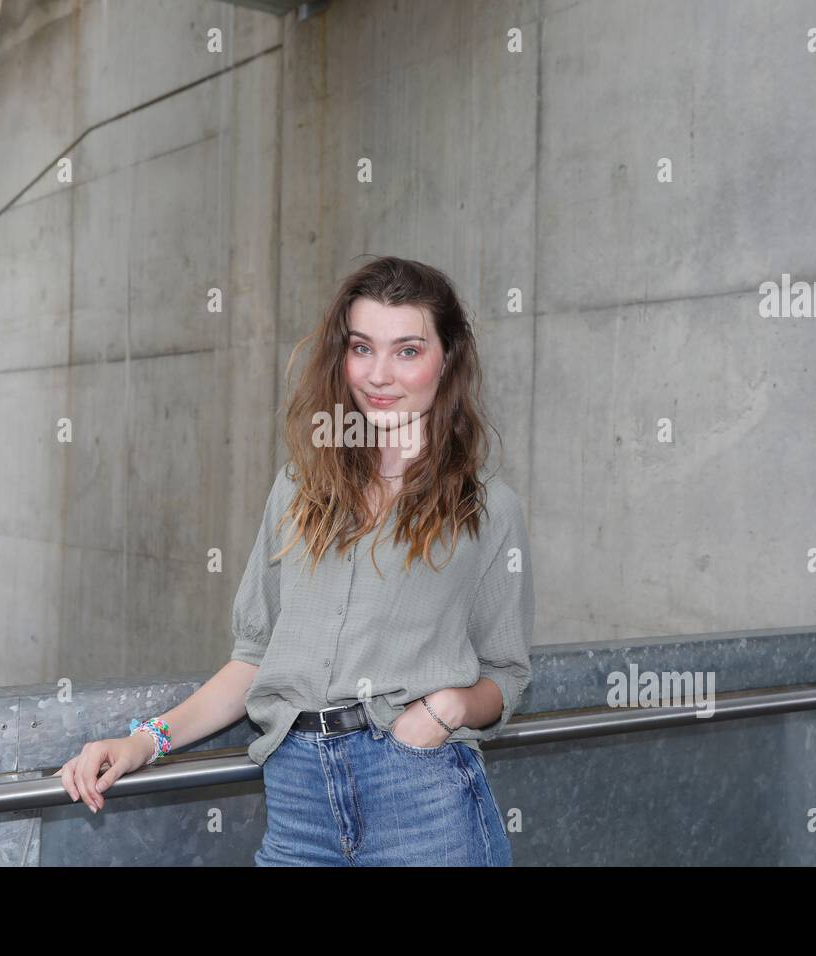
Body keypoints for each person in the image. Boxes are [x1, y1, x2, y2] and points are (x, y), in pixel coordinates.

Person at [55, 255, 534, 866]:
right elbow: (254, 659)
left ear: (448, 359)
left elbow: (506, 673)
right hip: (297, 801)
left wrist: (445, 711)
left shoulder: (488, 509)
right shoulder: (298, 489)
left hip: (421, 795)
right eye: (362, 347)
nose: (380, 375)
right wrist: (143, 742)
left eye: (407, 350)